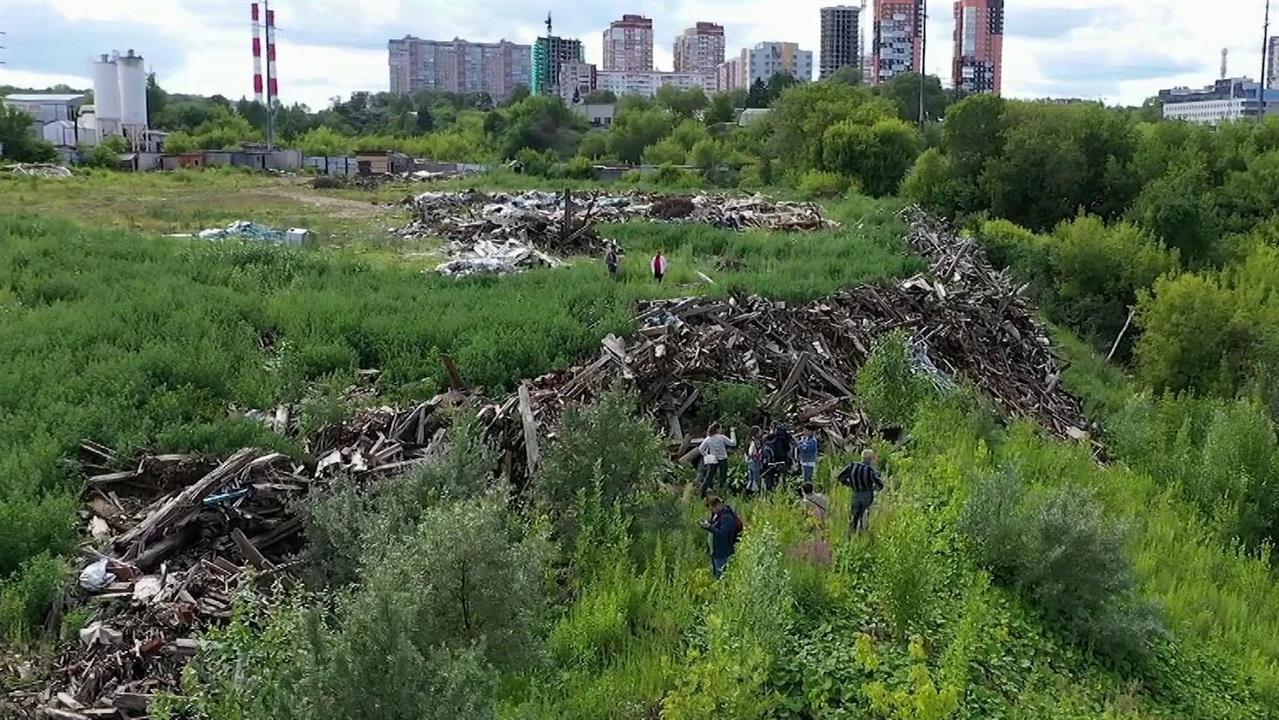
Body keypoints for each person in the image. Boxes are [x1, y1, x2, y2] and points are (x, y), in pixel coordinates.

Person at [838, 448, 884, 531]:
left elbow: (840, 477)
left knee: (854, 515)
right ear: (870, 459)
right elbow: (880, 484)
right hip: (867, 494)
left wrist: (849, 484)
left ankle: (852, 532)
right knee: (865, 514)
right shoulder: (870, 470)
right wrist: (875, 488)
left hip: (855, 493)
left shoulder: (852, 466)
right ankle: (863, 533)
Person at [701, 495, 742, 578]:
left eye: (713, 508)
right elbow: (716, 525)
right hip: (716, 553)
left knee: (722, 577)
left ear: (719, 504)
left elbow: (723, 534)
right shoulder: (718, 515)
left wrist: (709, 527)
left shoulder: (727, 517)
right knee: (716, 575)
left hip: (723, 553)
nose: (713, 511)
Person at [697, 423, 736, 497]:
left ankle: (702, 494)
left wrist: (706, 454)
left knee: (709, 477)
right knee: (723, 477)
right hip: (723, 459)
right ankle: (721, 494)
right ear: (717, 429)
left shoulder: (708, 438)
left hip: (713, 459)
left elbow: (700, 449)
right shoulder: (721, 437)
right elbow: (733, 443)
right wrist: (732, 432)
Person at [761, 423, 794, 492]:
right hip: (782, 461)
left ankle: (770, 492)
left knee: (769, 479)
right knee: (783, 478)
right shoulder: (784, 438)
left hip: (770, 462)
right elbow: (788, 450)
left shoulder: (767, 438)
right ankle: (783, 492)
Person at [744, 426, 764, 495]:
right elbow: (751, 452)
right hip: (754, 462)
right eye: (759, 431)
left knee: (751, 478)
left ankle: (748, 492)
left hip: (750, 462)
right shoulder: (753, 442)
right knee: (755, 478)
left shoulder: (749, 441)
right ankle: (754, 493)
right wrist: (758, 456)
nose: (761, 433)